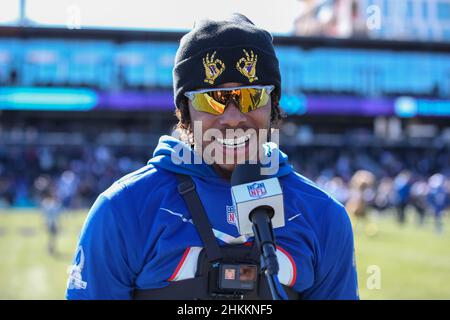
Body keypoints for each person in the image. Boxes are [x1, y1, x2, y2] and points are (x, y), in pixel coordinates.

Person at [66, 13, 358, 300]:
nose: (232, 118)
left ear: (273, 104)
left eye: (251, 96)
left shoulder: (323, 216)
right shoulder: (123, 209)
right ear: (184, 112)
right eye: (211, 99)